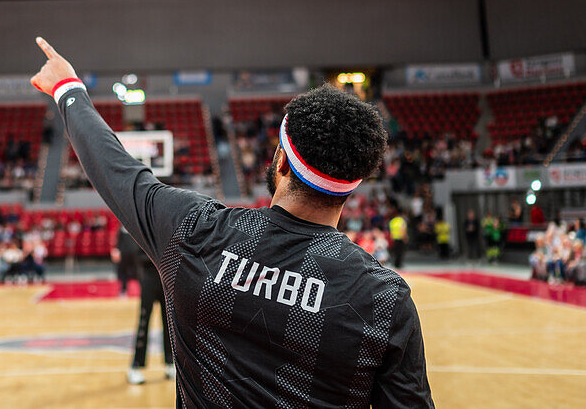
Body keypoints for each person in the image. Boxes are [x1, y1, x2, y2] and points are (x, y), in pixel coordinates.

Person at [31, 38, 432, 408]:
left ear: (280, 163)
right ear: (352, 187)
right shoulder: (385, 300)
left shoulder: (196, 231)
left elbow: (116, 171)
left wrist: (67, 88)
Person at [128, 247, 174, 385]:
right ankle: (136, 366)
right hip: (149, 276)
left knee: (168, 322)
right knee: (144, 321)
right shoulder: (147, 228)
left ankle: (170, 362)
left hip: (165, 278)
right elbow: (138, 254)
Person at [113, 227, 140, 297]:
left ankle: (139, 291)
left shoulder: (134, 229)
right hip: (125, 253)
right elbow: (119, 242)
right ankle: (123, 290)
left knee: (137, 272)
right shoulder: (122, 230)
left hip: (134, 253)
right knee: (124, 272)